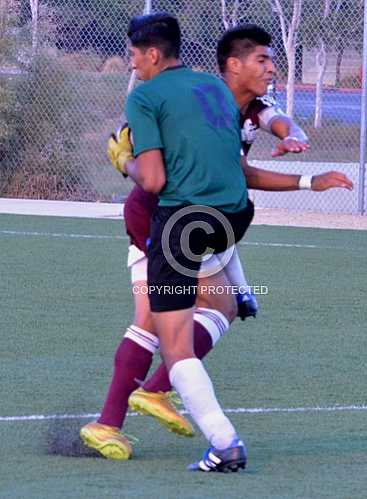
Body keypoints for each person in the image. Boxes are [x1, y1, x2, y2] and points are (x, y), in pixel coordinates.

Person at [82, 12, 254, 472]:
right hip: (205, 219)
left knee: (197, 322)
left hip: (174, 219)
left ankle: (176, 408)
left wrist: (124, 162)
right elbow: (227, 168)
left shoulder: (147, 95)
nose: (131, 64)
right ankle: (119, 415)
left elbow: (153, 178)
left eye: (134, 55)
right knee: (185, 315)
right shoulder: (215, 89)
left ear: (153, 54)